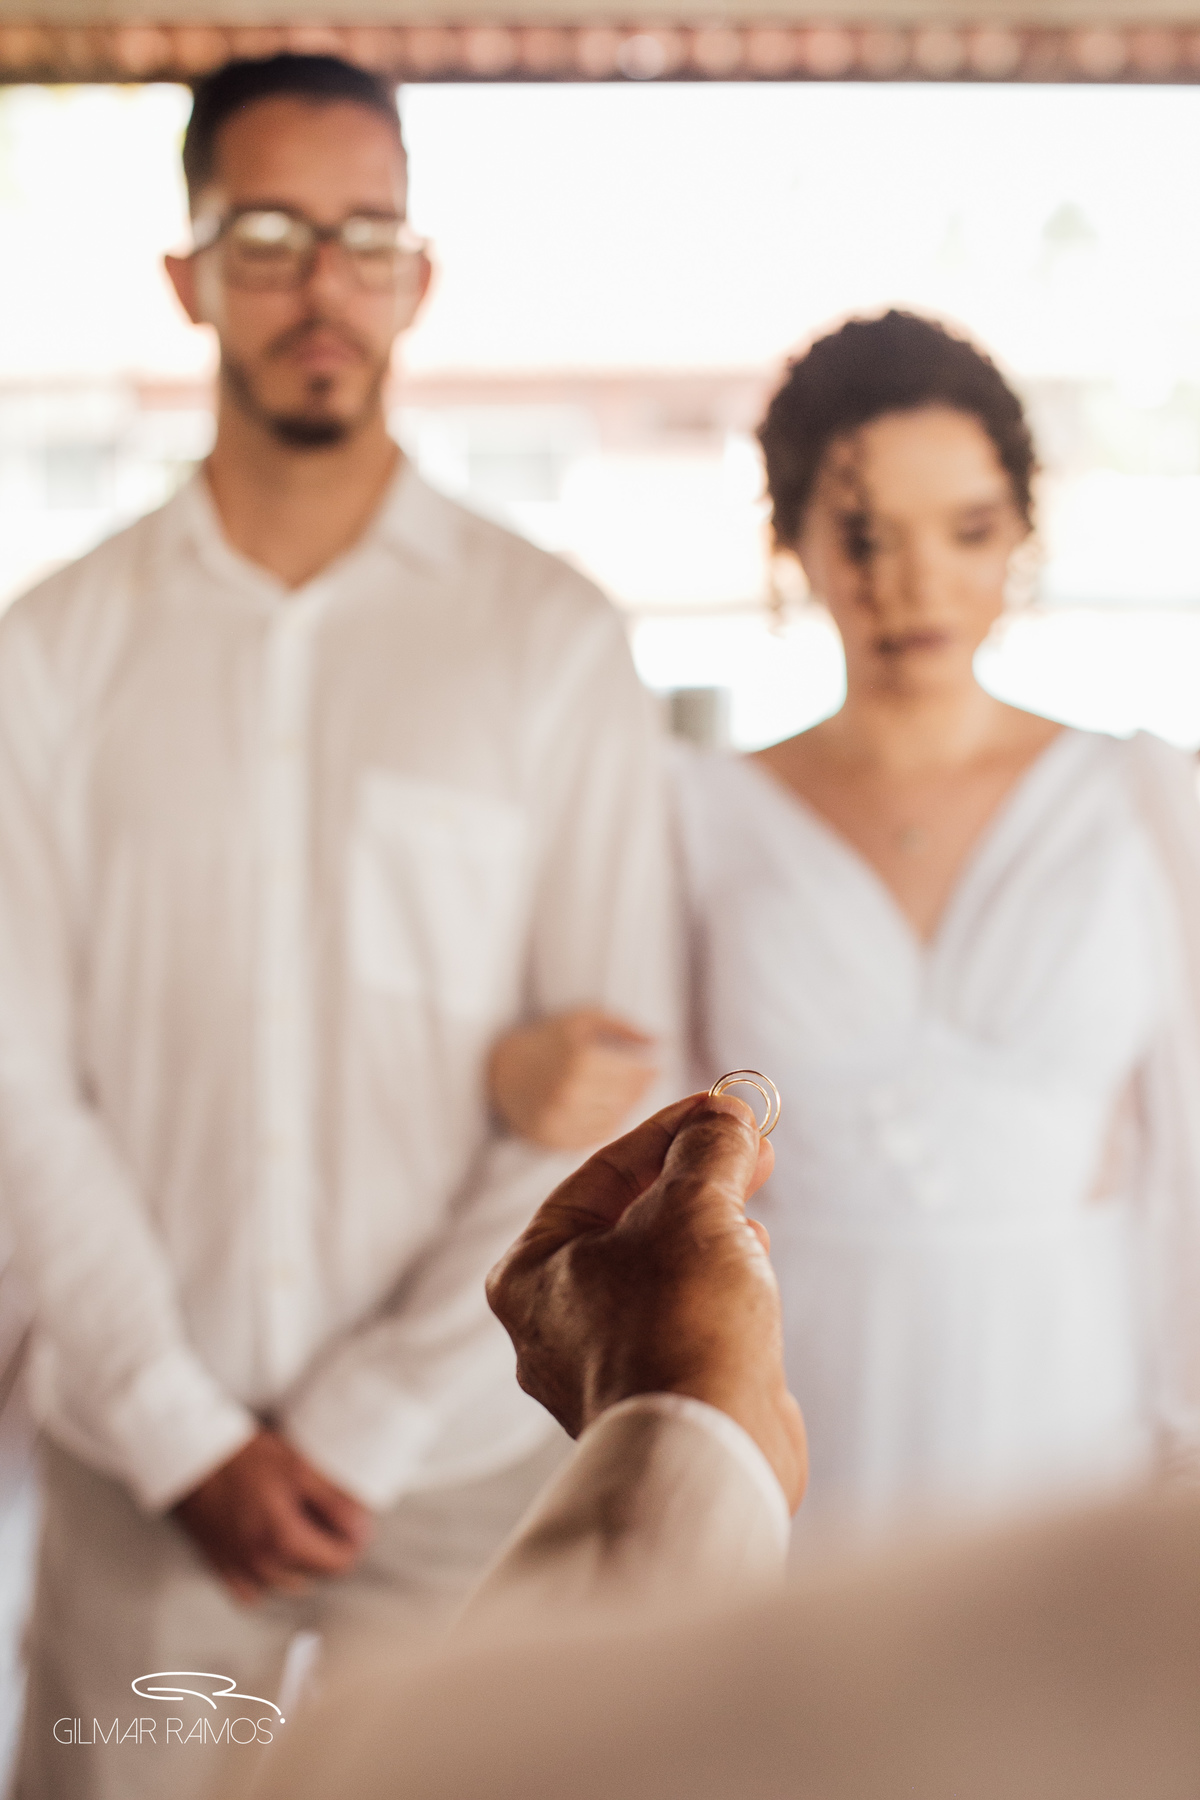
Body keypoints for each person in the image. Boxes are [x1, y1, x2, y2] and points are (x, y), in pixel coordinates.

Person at [0, 53, 675, 1800]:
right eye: (274, 233)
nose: (323, 288)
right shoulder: (51, 652)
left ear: (417, 278)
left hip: (457, 1455)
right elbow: (14, 1075)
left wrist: (369, 1410)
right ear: (191, 272)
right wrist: (177, 1424)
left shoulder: (550, 640)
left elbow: (615, 1081)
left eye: (365, 239)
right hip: (144, 1470)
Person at [489, 310, 1200, 1532]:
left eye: (968, 530)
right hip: (788, 1402)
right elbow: (621, 1120)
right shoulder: (693, 811)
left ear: (1021, 528)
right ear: (794, 542)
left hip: (1077, 1417)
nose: (918, 585)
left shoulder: (1150, 798)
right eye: (866, 537)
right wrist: (517, 1072)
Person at [245, 1091, 1200, 1800]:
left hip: (1055, 1378)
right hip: (788, 1340)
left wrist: (680, 1414)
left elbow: (461, 1766)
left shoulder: (400, 1744)